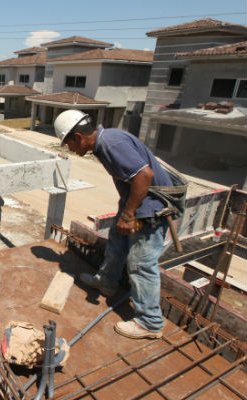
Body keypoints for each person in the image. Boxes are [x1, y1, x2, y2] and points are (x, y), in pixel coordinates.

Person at [54, 109, 173, 340]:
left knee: (141, 263)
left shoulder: (110, 144)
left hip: (150, 209)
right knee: (117, 243)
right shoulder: (105, 142)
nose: (70, 149)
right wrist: (126, 209)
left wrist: (129, 215)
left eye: (68, 144)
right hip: (135, 202)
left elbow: (144, 176)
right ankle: (107, 281)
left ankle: (150, 322)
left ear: (78, 137)